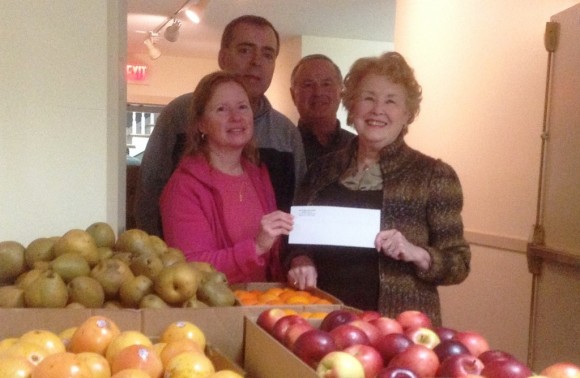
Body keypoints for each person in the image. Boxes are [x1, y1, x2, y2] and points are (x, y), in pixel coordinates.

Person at [285, 52, 471, 326]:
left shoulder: (434, 176)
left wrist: (416, 252)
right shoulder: (320, 171)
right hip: (322, 320)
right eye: (368, 98)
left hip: (399, 329)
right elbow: (296, 239)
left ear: (407, 113)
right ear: (351, 105)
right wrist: (300, 258)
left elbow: (459, 263)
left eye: (391, 101)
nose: (377, 110)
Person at [135, 15, 306, 237]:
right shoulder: (179, 114)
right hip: (185, 264)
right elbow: (150, 192)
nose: (256, 61)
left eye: (267, 54)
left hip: (268, 266)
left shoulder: (286, 133)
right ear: (223, 57)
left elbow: (298, 206)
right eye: (245, 50)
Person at [159, 71, 294, 284]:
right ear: (201, 124)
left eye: (242, 107)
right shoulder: (184, 188)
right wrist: (256, 247)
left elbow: (272, 257)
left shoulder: (259, 175)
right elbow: (192, 270)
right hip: (215, 312)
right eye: (222, 109)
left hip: (262, 306)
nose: (236, 117)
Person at [290, 54, 355, 166]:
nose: (318, 92)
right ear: (293, 95)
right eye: (308, 85)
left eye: (326, 84)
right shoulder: (282, 147)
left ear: (341, 92)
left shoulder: (357, 148)